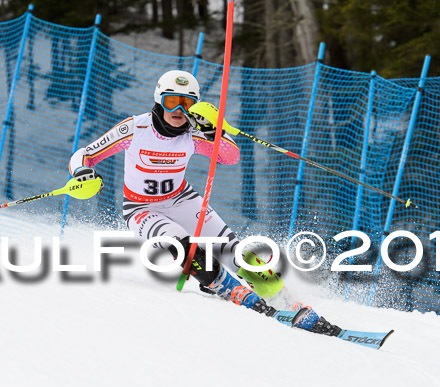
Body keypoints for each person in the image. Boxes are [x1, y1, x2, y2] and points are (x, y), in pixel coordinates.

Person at [68, 70, 341, 337]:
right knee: (180, 242)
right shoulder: (135, 128)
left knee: (233, 251)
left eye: (186, 103)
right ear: (158, 100)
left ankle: (284, 299)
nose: (178, 109)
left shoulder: (194, 132)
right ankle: (228, 288)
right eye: (171, 101)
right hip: (142, 209)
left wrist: (213, 132)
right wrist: (82, 172)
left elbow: (230, 155)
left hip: (181, 199)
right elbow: (86, 154)